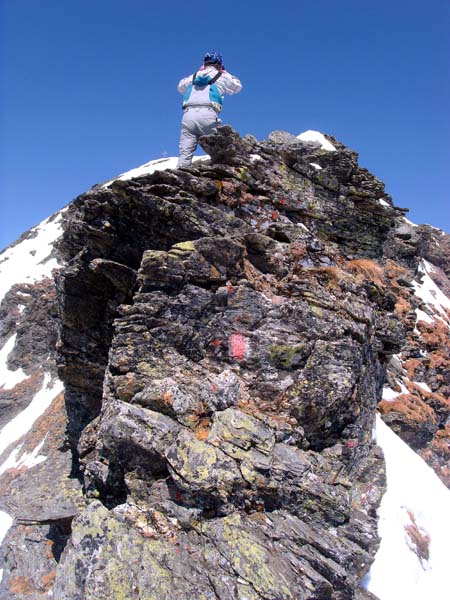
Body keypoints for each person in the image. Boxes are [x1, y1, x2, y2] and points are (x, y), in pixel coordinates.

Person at [177, 52, 242, 168]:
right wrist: (225, 72)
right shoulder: (222, 76)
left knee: (185, 153)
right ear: (219, 64)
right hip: (208, 113)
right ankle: (220, 176)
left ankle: (180, 177)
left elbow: (180, 87)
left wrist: (199, 72)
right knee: (220, 148)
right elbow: (237, 86)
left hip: (188, 116)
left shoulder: (193, 77)